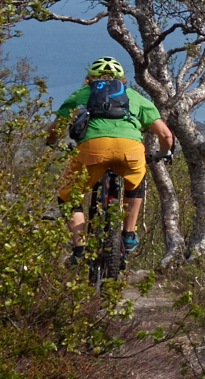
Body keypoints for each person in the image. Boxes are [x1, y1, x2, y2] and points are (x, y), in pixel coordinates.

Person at [46, 57, 174, 266]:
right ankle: (128, 235)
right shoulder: (134, 96)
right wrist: (164, 152)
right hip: (129, 151)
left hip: (92, 151)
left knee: (68, 196)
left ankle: (80, 250)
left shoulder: (80, 94)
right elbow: (166, 135)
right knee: (135, 183)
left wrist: (52, 143)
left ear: (89, 78)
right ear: (122, 79)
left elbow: (53, 130)